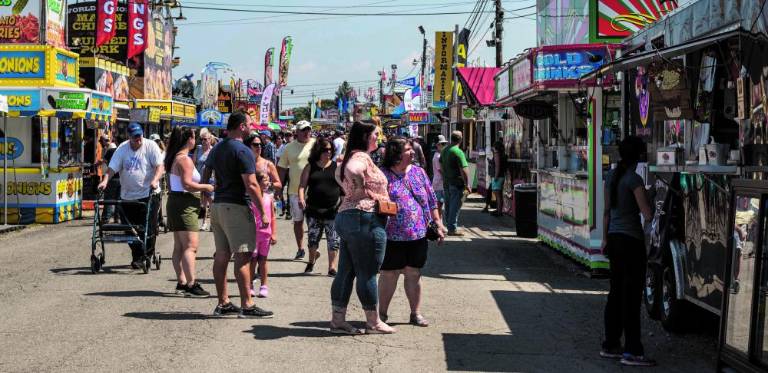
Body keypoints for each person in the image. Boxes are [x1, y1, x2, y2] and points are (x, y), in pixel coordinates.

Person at [202, 112, 273, 318]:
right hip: (236, 206)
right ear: (242, 126)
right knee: (243, 256)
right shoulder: (242, 150)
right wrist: (262, 211)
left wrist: (207, 194)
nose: (252, 127)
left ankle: (223, 302)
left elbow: (206, 172)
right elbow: (251, 184)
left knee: (222, 254)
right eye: (249, 124)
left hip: (219, 205)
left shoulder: (218, 147)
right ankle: (247, 305)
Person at [331, 121, 395, 335]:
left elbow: (339, 172)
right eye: (375, 134)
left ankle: (338, 319)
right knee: (367, 272)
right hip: (364, 218)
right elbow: (351, 170)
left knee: (346, 271)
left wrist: (353, 191)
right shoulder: (360, 158)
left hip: (348, 217)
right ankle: (373, 321)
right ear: (366, 137)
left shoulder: (349, 156)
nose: (378, 138)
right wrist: (360, 189)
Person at [378, 137, 445, 328]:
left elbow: (432, 201)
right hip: (391, 234)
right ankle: (381, 315)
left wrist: (438, 224)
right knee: (389, 274)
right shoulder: (382, 175)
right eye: (408, 150)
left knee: (413, 273)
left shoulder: (419, 172)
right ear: (396, 155)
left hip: (418, 234)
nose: (413, 152)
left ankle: (415, 313)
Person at [601, 136, 655, 367]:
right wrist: (649, 196)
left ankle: (611, 344)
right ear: (639, 156)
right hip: (631, 242)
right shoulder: (633, 179)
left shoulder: (610, 177)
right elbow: (648, 214)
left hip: (613, 239)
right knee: (631, 297)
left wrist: (604, 239)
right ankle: (633, 350)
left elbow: (606, 212)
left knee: (615, 293)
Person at [97, 123, 164, 269]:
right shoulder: (122, 148)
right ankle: (137, 255)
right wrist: (105, 181)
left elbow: (160, 167)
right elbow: (112, 168)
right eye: (135, 137)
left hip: (149, 194)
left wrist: (154, 180)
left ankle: (146, 255)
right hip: (128, 195)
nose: (138, 139)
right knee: (129, 228)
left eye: (139, 135)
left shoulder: (151, 146)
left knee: (148, 227)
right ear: (129, 137)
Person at [164, 126, 214, 297]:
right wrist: (206, 186)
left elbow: (173, 185)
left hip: (176, 201)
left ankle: (182, 282)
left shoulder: (174, 157)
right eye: (194, 137)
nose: (197, 140)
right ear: (188, 139)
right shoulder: (184, 159)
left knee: (180, 246)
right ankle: (191, 284)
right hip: (184, 202)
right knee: (190, 246)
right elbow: (187, 184)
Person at [298, 137, 341, 276]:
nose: (327, 152)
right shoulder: (310, 166)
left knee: (333, 240)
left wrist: (344, 204)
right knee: (312, 239)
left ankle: (332, 267)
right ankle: (311, 261)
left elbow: (343, 188)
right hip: (313, 209)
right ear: (318, 151)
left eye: (330, 150)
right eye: (324, 150)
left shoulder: (336, 167)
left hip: (333, 209)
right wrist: (301, 198)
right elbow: (302, 186)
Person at [277, 120, 316, 260]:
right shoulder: (289, 147)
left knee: (313, 222)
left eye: (308, 130)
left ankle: (313, 247)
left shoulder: (316, 144)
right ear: (297, 132)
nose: (307, 132)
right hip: (294, 191)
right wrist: (279, 187)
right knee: (298, 221)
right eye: (303, 130)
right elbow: (281, 168)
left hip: (314, 191)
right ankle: (300, 248)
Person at [249, 171, 277, 298]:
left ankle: (264, 285)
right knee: (252, 260)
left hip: (266, 234)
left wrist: (274, 233)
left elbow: (272, 216)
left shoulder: (269, 197)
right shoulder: (250, 198)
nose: (268, 182)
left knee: (263, 260)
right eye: (265, 180)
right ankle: (249, 285)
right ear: (257, 182)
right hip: (253, 234)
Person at [441, 131, 471, 236]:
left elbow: (441, 167)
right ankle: (452, 228)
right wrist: (468, 184)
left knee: (448, 206)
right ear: (461, 139)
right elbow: (464, 169)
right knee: (455, 206)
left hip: (447, 182)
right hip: (456, 183)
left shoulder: (445, 150)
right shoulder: (458, 152)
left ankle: (449, 226)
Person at [489, 133, 507, 216]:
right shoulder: (502, 154)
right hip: (501, 175)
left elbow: (497, 166)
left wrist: (495, 176)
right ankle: (499, 210)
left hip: (498, 176)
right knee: (499, 194)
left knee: (497, 194)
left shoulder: (496, 154)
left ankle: (499, 211)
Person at [432, 135, 448, 219]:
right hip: (439, 183)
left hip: (440, 183)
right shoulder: (438, 156)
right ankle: (438, 223)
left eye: (444, 144)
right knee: (438, 205)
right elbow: (440, 170)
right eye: (442, 144)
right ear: (437, 145)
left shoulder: (439, 155)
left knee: (440, 205)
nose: (444, 146)